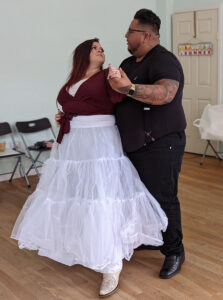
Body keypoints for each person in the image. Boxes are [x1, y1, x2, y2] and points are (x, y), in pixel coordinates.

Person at [11, 38, 168, 298]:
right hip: (73, 141)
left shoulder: (109, 74)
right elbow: (70, 105)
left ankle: (111, 264)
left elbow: (123, 92)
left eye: (101, 48)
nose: (101, 50)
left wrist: (120, 81)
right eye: (95, 47)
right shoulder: (72, 80)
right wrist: (63, 116)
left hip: (100, 140)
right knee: (76, 195)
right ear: (83, 54)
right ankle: (85, 245)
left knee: (102, 196)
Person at [108, 9, 186, 279]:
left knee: (163, 198)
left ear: (146, 35)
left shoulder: (164, 60)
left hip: (161, 144)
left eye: (130, 31)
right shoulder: (128, 63)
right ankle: (149, 238)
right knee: (138, 197)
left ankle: (174, 250)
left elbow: (166, 94)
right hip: (133, 145)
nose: (126, 36)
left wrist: (128, 88)